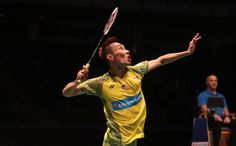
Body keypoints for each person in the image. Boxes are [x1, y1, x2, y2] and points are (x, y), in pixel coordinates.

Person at [62, 33, 201, 146]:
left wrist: (187, 52)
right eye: (121, 49)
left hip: (132, 140)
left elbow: (161, 60)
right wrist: (77, 81)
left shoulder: (136, 71)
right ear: (110, 57)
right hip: (114, 142)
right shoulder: (100, 83)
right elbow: (67, 93)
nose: (127, 51)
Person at [197, 74, 231, 146]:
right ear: (206, 83)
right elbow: (204, 109)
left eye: (216, 81)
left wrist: (227, 116)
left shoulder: (221, 96)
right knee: (216, 122)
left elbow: (226, 110)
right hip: (210, 119)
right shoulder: (203, 95)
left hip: (222, 119)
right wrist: (214, 115)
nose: (214, 82)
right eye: (211, 80)